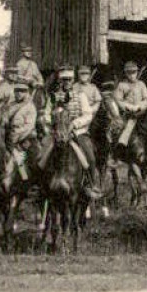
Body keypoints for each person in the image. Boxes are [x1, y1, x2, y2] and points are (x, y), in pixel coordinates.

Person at [54, 65, 102, 199]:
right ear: (60, 81)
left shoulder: (80, 95)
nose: (67, 82)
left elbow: (88, 115)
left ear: (72, 80)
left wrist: (75, 124)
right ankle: (42, 185)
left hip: (78, 132)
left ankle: (92, 185)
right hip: (58, 132)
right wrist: (53, 124)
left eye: (69, 79)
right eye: (64, 80)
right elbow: (47, 113)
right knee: (42, 155)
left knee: (89, 156)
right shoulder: (55, 96)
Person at [3, 76, 39, 181]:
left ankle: (29, 182)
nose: (18, 93)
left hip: (24, 138)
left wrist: (14, 136)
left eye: (22, 91)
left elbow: (28, 126)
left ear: (27, 92)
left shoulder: (30, 107)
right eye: (17, 90)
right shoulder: (10, 105)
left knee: (27, 162)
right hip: (9, 136)